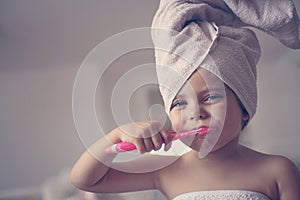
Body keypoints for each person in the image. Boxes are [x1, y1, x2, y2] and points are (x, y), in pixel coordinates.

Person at [71, 0, 300, 199]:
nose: (195, 112)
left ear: (245, 106)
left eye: (210, 97)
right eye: (180, 103)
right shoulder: (166, 169)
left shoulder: (279, 170)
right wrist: (117, 135)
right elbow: (85, 180)